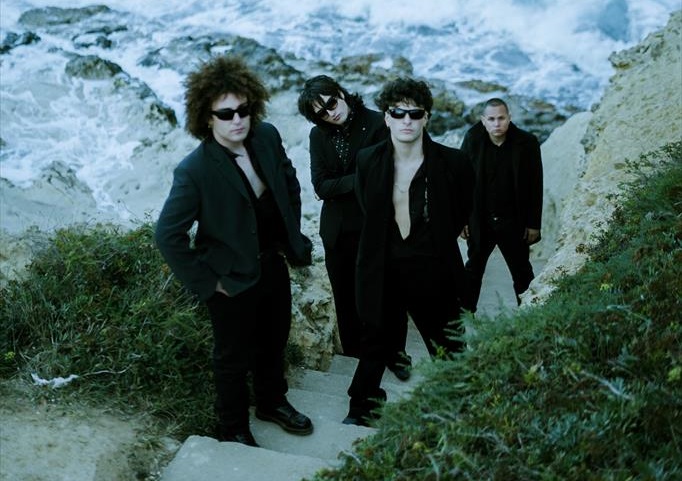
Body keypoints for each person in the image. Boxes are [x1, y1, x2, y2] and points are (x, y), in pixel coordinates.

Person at [155, 55, 314, 447]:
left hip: (272, 261)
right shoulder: (194, 170)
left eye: (243, 110)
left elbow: (289, 183)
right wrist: (208, 283)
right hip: (229, 278)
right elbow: (168, 235)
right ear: (206, 118)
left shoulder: (267, 136)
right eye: (225, 114)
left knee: (274, 340)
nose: (237, 120)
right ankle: (233, 427)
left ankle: (272, 403)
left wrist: (291, 236)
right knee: (232, 357)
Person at [343, 78, 474, 426]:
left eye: (414, 114)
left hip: (432, 265)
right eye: (398, 113)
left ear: (426, 117)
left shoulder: (454, 162)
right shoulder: (368, 160)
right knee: (375, 340)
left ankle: (459, 406)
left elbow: (461, 209)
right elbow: (368, 208)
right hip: (384, 264)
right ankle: (362, 406)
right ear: (386, 117)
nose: (406, 121)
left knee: (448, 344)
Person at [297, 75, 412, 380]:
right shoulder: (318, 135)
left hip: (375, 226)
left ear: (340, 92)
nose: (330, 113)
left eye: (331, 103)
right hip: (336, 231)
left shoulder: (378, 123)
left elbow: (385, 176)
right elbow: (320, 186)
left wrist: (345, 184)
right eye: (322, 113)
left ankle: (396, 355)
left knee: (388, 294)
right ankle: (354, 357)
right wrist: (360, 179)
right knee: (346, 299)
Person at [459, 98, 543, 312]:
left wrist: (534, 224)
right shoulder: (472, 139)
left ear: (509, 118)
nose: (497, 123)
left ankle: (530, 317)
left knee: (522, 272)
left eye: (501, 118)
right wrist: (462, 219)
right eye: (491, 119)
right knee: (472, 271)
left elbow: (535, 185)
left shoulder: (527, 142)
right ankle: (463, 320)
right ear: (483, 121)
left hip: (514, 220)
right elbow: (461, 181)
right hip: (481, 220)